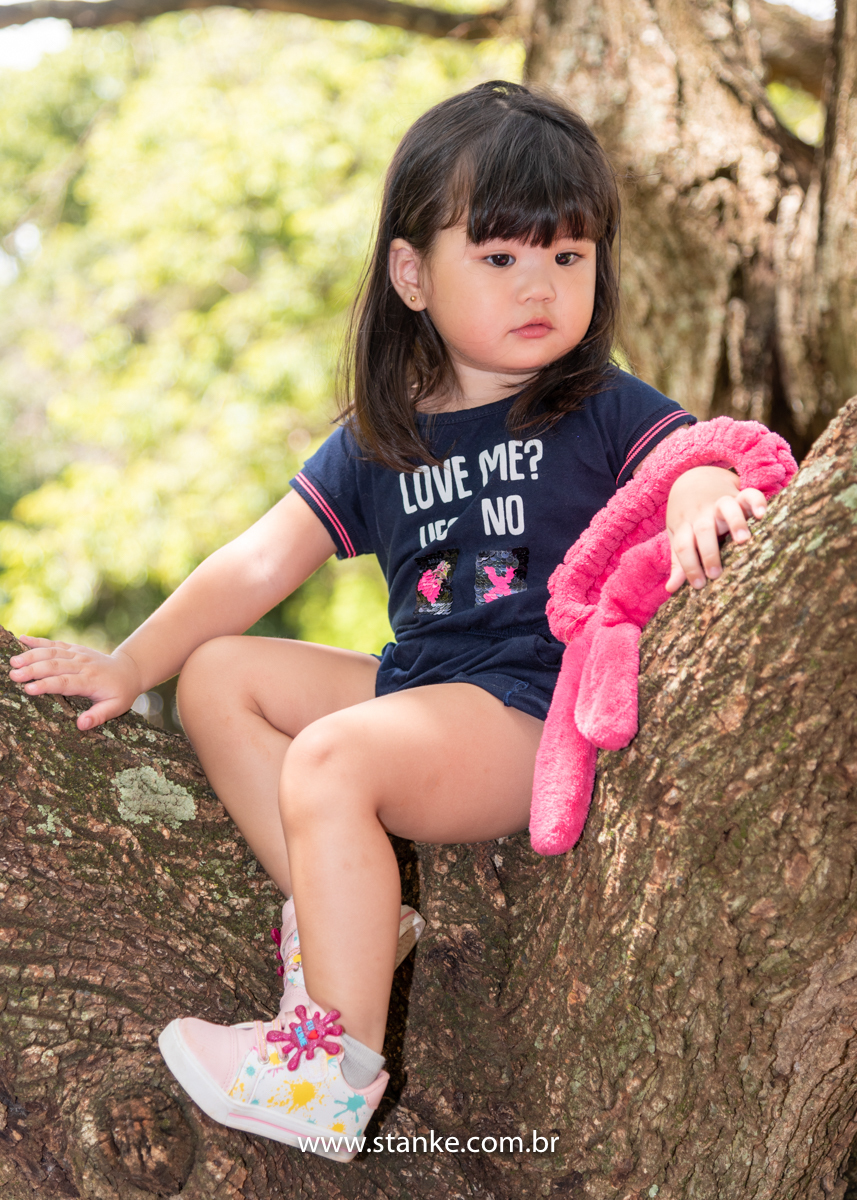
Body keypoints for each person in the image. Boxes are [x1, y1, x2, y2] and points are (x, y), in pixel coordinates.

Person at [6, 81, 768, 1161]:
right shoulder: (383, 437)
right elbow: (260, 559)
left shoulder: (594, 401)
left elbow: (690, 461)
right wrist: (129, 663)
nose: (539, 285)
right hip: (421, 691)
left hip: (523, 710)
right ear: (411, 273)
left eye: (566, 256)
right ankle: (353, 922)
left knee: (328, 759)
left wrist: (699, 494)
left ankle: (329, 1067)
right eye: (498, 257)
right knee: (218, 677)